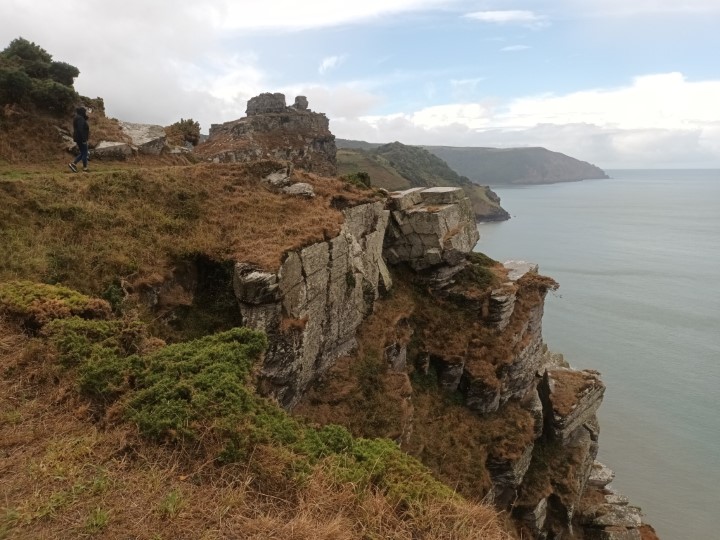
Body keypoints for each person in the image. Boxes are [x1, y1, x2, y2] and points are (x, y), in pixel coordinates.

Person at [68, 107, 90, 172]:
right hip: (81, 138)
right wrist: (83, 139)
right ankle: (84, 168)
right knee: (85, 153)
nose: (85, 113)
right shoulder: (80, 118)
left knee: (83, 153)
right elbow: (81, 129)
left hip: (78, 137)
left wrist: (85, 118)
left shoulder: (78, 118)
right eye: (85, 112)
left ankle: (74, 164)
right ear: (82, 112)